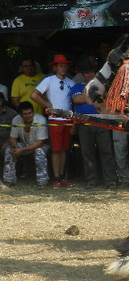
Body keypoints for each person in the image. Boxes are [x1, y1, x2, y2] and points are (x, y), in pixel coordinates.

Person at [70, 60, 118, 189]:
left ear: (95, 72)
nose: (89, 75)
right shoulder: (77, 86)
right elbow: (77, 99)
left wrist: (87, 97)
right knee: (87, 152)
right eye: (86, 73)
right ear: (82, 74)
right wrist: (94, 95)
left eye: (91, 72)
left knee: (106, 151)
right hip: (84, 122)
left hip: (101, 121)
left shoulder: (101, 87)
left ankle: (110, 181)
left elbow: (86, 99)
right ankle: (91, 181)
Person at [31, 54, 75, 189]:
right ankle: (56, 178)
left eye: (65, 66)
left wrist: (74, 121)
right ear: (55, 67)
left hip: (67, 119)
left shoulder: (71, 82)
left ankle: (62, 178)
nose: (63, 68)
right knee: (56, 150)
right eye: (61, 66)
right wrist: (47, 105)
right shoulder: (49, 80)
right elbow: (34, 95)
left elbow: (74, 103)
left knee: (64, 149)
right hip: (55, 119)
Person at [3, 101, 50, 188]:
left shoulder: (41, 120)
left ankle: (42, 181)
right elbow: (12, 137)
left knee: (39, 151)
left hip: (40, 145)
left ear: (33, 112)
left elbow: (40, 142)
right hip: (24, 144)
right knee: (9, 149)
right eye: (25, 114)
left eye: (30, 113)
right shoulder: (16, 119)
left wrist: (21, 150)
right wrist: (15, 148)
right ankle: (9, 180)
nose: (28, 116)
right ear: (21, 115)